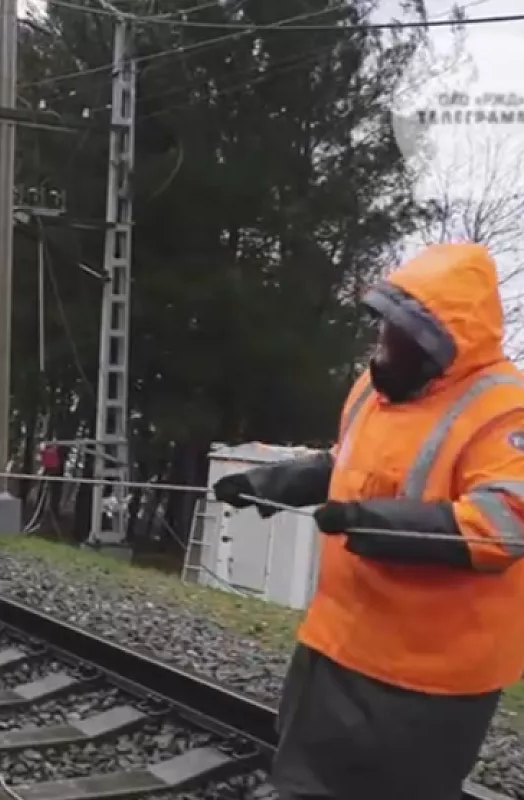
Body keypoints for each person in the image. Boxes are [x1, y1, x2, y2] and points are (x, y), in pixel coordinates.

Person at [211, 243, 524, 800]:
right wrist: (274, 483)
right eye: (382, 324)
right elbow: (348, 464)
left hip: (430, 677)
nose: (383, 342)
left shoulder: (504, 410)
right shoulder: (374, 389)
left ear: (437, 343)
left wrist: (369, 522)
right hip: (338, 643)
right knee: (306, 781)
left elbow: (505, 523)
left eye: (398, 332)